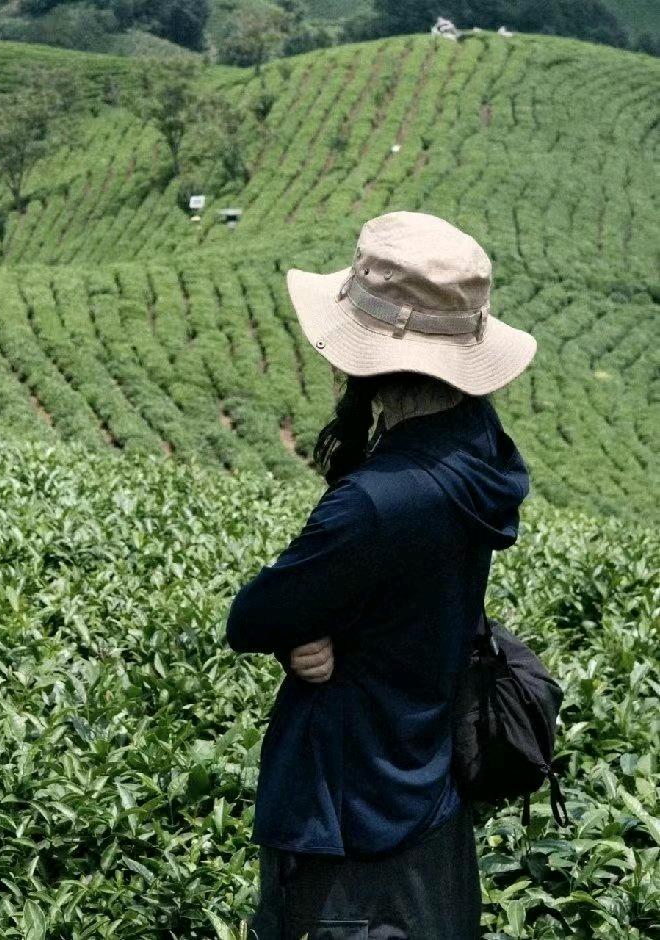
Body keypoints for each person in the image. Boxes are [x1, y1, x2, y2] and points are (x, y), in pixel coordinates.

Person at [225, 211, 538, 939]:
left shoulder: (378, 502)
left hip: (355, 832)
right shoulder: (477, 449)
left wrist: (299, 630)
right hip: (428, 801)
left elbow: (251, 617)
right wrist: (318, 631)